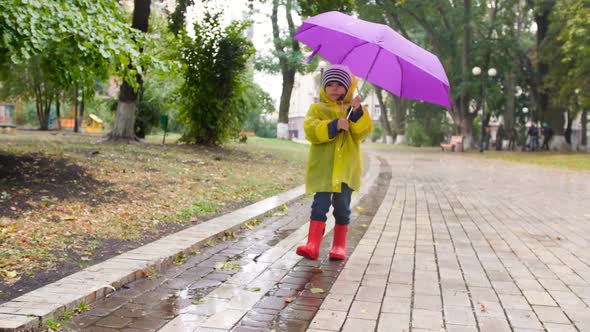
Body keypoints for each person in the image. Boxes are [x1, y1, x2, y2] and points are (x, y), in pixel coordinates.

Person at [296, 65, 374, 260]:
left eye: (340, 85)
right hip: (324, 168)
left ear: (348, 88)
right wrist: (333, 125)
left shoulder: (354, 109)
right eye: (329, 84)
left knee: (342, 207)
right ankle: (312, 244)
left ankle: (339, 246)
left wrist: (356, 115)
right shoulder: (317, 108)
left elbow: (362, 133)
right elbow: (311, 130)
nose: (334, 88)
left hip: (347, 168)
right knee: (319, 206)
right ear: (323, 87)